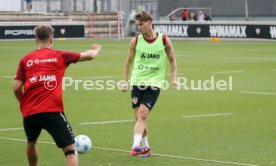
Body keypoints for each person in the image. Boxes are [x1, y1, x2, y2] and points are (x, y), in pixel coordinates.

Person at [13, 25, 101, 166]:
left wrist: (24, 104)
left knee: (32, 141)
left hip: (29, 112)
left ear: (36, 40)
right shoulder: (59, 55)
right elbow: (89, 55)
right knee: (71, 151)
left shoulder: (26, 59)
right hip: (52, 111)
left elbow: (16, 87)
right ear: (52, 39)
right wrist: (96, 49)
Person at [122, 11, 179, 157]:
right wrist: (125, 81)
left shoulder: (164, 40)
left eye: (141, 24)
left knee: (143, 114)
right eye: (137, 25)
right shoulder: (135, 41)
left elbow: (172, 61)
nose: (139, 27)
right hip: (137, 83)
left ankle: (135, 146)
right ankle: (146, 149)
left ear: (150, 22)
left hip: (154, 83)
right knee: (139, 119)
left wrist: (173, 79)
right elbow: (128, 62)